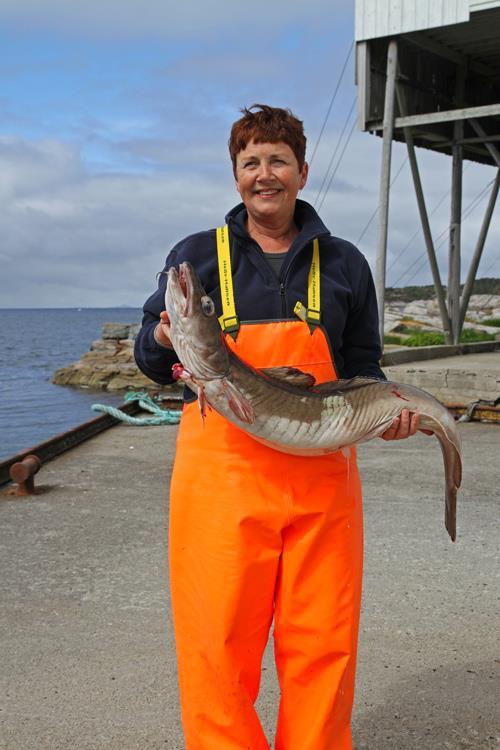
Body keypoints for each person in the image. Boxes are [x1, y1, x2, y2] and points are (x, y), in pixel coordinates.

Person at [135, 104, 422, 750]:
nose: (265, 174)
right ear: (236, 175)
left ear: (302, 171)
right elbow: (150, 358)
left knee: (323, 650)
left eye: (278, 161)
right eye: (251, 162)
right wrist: (160, 335)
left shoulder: (345, 264)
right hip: (221, 491)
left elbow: (363, 369)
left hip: (323, 488)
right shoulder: (195, 257)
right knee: (216, 654)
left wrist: (392, 417)